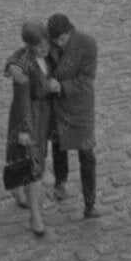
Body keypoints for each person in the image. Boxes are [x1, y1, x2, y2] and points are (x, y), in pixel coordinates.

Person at [46, 12, 98, 218]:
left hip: (79, 107)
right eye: (55, 39)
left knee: (86, 154)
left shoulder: (87, 44)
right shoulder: (49, 44)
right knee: (58, 145)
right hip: (57, 106)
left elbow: (86, 80)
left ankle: (90, 203)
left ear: (70, 31)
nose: (58, 43)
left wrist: (60, 86)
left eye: (62, 38)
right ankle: (60, 181)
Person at [5, 21, 52, 238]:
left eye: (47, 44)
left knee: (29, 160)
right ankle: (36, 217)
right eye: (41, 46)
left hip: (43, 116)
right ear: (30, 46)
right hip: (28, 118)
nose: (46, 49)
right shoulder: (23, 65)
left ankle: (17, 187)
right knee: (34, 166)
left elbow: (12, 58)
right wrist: (25, 130)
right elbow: (23, 100)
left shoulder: (45, 55)